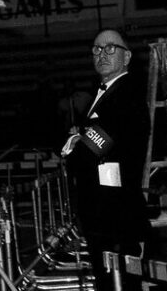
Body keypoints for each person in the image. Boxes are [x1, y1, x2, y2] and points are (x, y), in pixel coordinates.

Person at [60, 29, 151, 291]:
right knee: (109, 280)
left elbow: (91, 150)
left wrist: (76, 145)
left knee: (121, 282)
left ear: (127, 56)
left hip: (117, 211)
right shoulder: (105, 93)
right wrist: (79, 140)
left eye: (111, 48)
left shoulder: (126, 93)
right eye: (97, 49)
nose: (102, 54)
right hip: (102, 211)